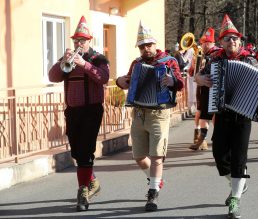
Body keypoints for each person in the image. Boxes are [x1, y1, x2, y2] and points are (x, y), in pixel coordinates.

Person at [195, 14, 258, 219]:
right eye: (227, 39)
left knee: (239, 160)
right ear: (221, 42)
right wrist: (200, 79)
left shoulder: (249, 60)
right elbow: (199, 76)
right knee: (219, 157)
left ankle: (235, 198)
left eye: (235, 39)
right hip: (222, 114)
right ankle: (239, 184)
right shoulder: (215, 59)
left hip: (243, 116)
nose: (232, 41)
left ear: (240, 41)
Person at [116, 21, 184, 212]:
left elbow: (179, 83)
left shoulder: (169, 61)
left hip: (159, 113)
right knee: (138, 156)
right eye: (142, 46)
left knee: (156, 156)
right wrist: (120, 81)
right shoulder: (137, 64)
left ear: (155, 44)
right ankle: (156, 180)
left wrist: (172, 81)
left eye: (148, 45)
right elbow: (128, 81)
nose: (146, 49)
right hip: (138, 113)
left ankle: (152, 193)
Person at [48, 16, 109, 211]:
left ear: (89, 41)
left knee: (86, 150)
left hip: (92, 110)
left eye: (82, 40)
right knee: (76, 151)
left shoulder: (98, 58)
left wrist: (84, 64)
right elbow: (53, 77)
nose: (78, 43)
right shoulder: (68, 59)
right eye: (76, 40)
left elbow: (103, 77)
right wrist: (62, 63)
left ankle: (82, 191)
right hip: (73, 111)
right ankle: (91, 181)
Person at [189, 27, 220, 151]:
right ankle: (201, 140)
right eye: (203, 43)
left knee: (215, 115)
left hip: (215, 89)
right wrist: (194, 65)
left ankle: (217, 138)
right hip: (202, 90)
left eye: (207, 43)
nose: (204, 45)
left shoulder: (218, 54)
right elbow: (192, 73)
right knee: (203, 114)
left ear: (213, 43)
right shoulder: (200, 55)